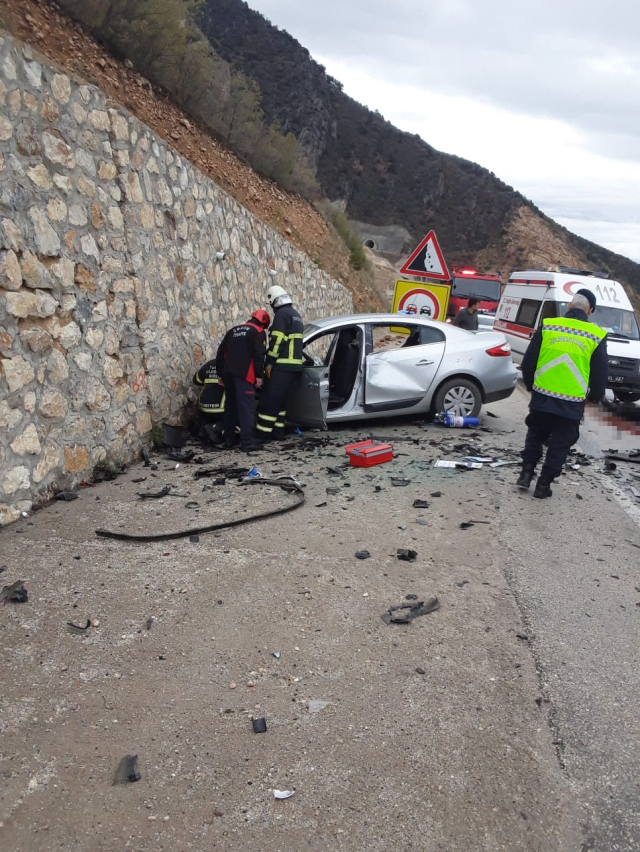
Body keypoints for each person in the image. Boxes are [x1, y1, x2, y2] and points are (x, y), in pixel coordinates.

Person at [517, 289, 607, 498]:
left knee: (536, 434)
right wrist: (595, 396)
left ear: (569, 305)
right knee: (560, 442)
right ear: (590, 311)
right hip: (571, 402)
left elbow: (528, 362)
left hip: (543, 395)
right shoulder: (596, 335)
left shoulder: (549, 326)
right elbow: (600, 372)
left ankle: (526, 473)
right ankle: (543, 485)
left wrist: (531, 386)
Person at [215, 309, 270, 452]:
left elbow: (220, 353)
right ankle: (247, 443)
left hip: (228, 374)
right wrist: (259, 375)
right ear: (263, 322)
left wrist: (220, 374)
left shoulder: (233, 331)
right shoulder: (257, 332)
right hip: (245, 375)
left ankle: (228, 440)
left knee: (230, 408)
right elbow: (259, 355)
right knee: (246, 409)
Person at [256, 285, 303, 440]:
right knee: (281, 402)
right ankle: (278, 433)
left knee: (269, 400)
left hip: (281, 366)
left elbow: (277, 341)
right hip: (294, 367)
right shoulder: (296, 315)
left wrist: (269, 362)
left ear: (274, 301)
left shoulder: (282, 315)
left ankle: (263, 434)